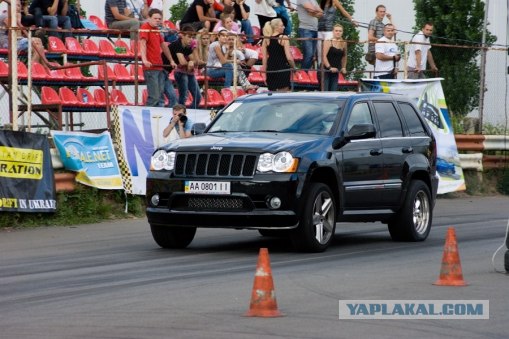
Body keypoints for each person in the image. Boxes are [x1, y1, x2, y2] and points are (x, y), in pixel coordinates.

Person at [0, 1, 58, 72]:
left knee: (38, 45)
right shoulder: (5, 15)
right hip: (7, 43)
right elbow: (16, 33)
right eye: (17, 5)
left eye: (20, 5)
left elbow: (18, 35)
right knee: (37, 44)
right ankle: (42, 68)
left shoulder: (11, 15)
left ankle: (36, 69)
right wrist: (18, 17)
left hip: (14, 41)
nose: (19, 8)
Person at [140, 8, 176, 107]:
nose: (157, 20)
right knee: (154, 96)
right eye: (155, 18)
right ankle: (146, 116)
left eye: (159, 19)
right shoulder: (145, 27)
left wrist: (171, 60)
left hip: (159, 66)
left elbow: (164, 46)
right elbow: (142, 44)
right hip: (151, 67)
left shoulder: (156, 30)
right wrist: (144, 59)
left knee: (159, 96)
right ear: (149, 18)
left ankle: (154, 117)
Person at [169, 25, 202, 108]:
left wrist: (192, 60)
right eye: (189, 37)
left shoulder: (189, 46)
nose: (191, 39)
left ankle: (189, 113)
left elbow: (196, 61)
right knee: (183, 97)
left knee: (198, 97)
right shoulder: (178, 44)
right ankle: (180, 114)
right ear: (182, 35)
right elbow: (182, 62)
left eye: (192, 37)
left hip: (189, 73)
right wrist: (190, 62)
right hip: (180, 72)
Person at [317, 0, 356, 67]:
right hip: (320, 30)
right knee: (320, 53)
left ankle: (329, 67)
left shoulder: (335, 2)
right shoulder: (321, 3)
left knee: (328, 51)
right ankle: (320, 70)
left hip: (329, 30)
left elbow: (343, 12)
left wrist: (352, 20)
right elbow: (317, 14)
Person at [262, 18, 295, 92]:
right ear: (276, 27)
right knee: (282, 98)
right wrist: (294, 67)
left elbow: (264, 59)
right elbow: (289, 57)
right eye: (282, 26)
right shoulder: (284, 38)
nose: (284, 27)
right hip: (282, 68)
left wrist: (264, 74)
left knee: (272, 97)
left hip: (270, 69)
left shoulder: (266, 39)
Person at [296, 0, 323, 70]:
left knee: (312, 55)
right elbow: (311, 10)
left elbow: (321, 13)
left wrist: (313, 12)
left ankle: (306, 73)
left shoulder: (313, 0)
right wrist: (315, 12)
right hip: (305, 29)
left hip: (315, 29)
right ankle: (303, 73)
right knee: (309, 54)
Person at [322, 23, 347, 91]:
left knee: (333, 92)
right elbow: (323, 56)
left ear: (342, 32)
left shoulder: (344, 43)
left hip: (336, 71)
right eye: (336, 30)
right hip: (325, 70)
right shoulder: (328, 41)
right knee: (325, 92)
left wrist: (343, 67)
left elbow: (344, 56)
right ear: (333, 31)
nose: (338, 32)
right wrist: (329, 67)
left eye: (340, 31)